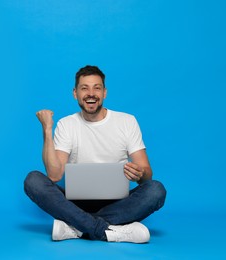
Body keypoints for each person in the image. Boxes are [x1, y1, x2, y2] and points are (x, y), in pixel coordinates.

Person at [24, 65, 166, 243]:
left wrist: (140, 173)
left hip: (118, 203)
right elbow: (54, 175)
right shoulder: (66, 124)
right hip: (75, 202)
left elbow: (147, 176)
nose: (91, 93)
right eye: (85, 88)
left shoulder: (127, 121)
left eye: (96, 88)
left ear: (104, 93)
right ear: (75, 93)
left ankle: (77, 228)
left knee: (156, 190)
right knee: (33, 180)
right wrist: (47, 130)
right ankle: (109, 231)